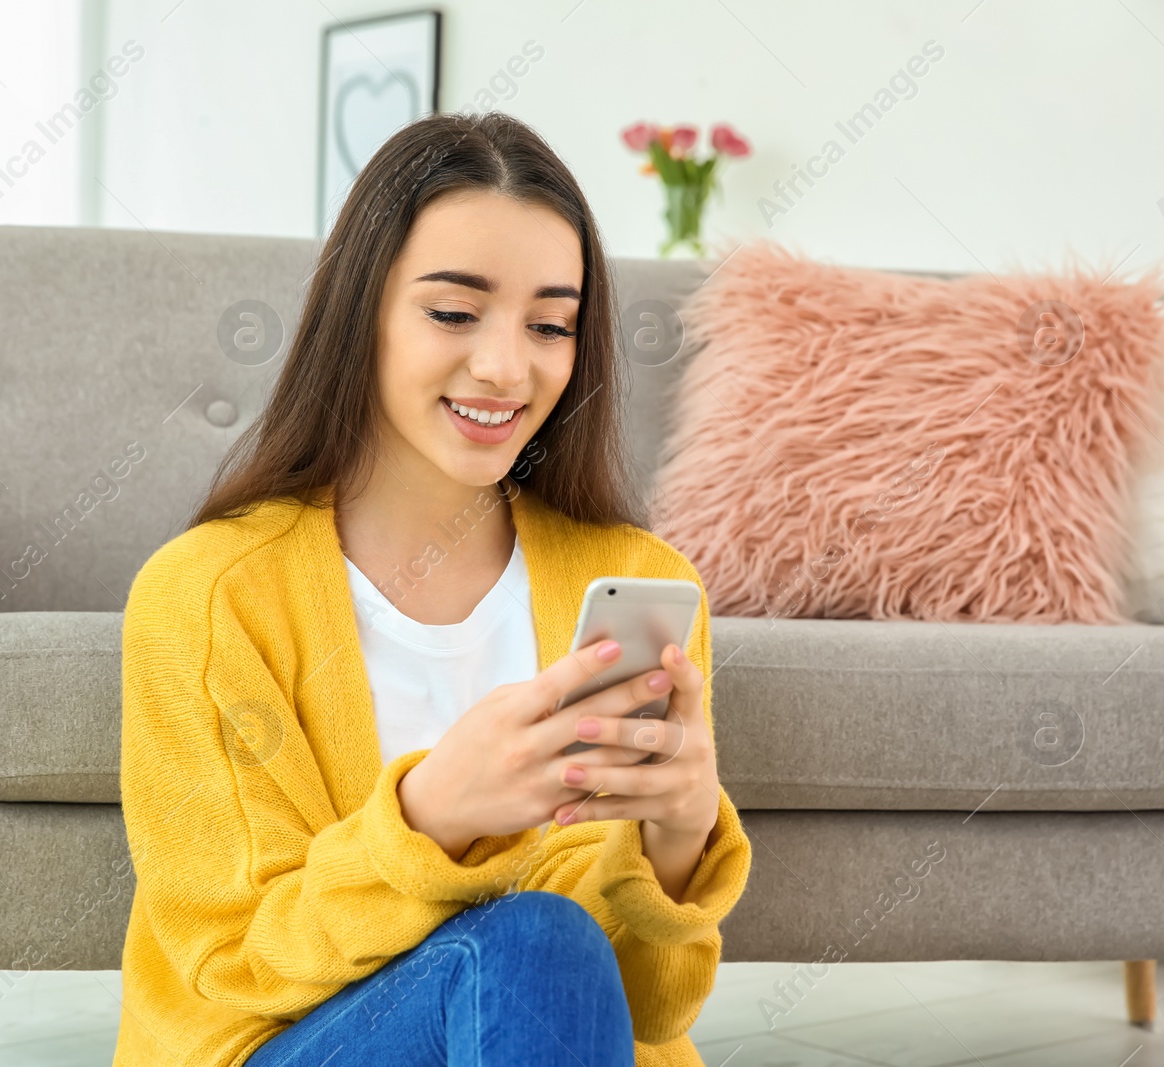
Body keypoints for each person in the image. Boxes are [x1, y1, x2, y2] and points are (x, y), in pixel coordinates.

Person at [114, 111, 751, 1067]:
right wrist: (430, 819)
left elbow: (650, 1012)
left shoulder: (640, 584)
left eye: (550, 324)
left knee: (550, 951)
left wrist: (678, 841)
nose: (506, 366)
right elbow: (235, 967)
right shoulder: (208, 596)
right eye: (454, 312)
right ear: (360, 311)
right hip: (290, 1043)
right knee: (536, 937)